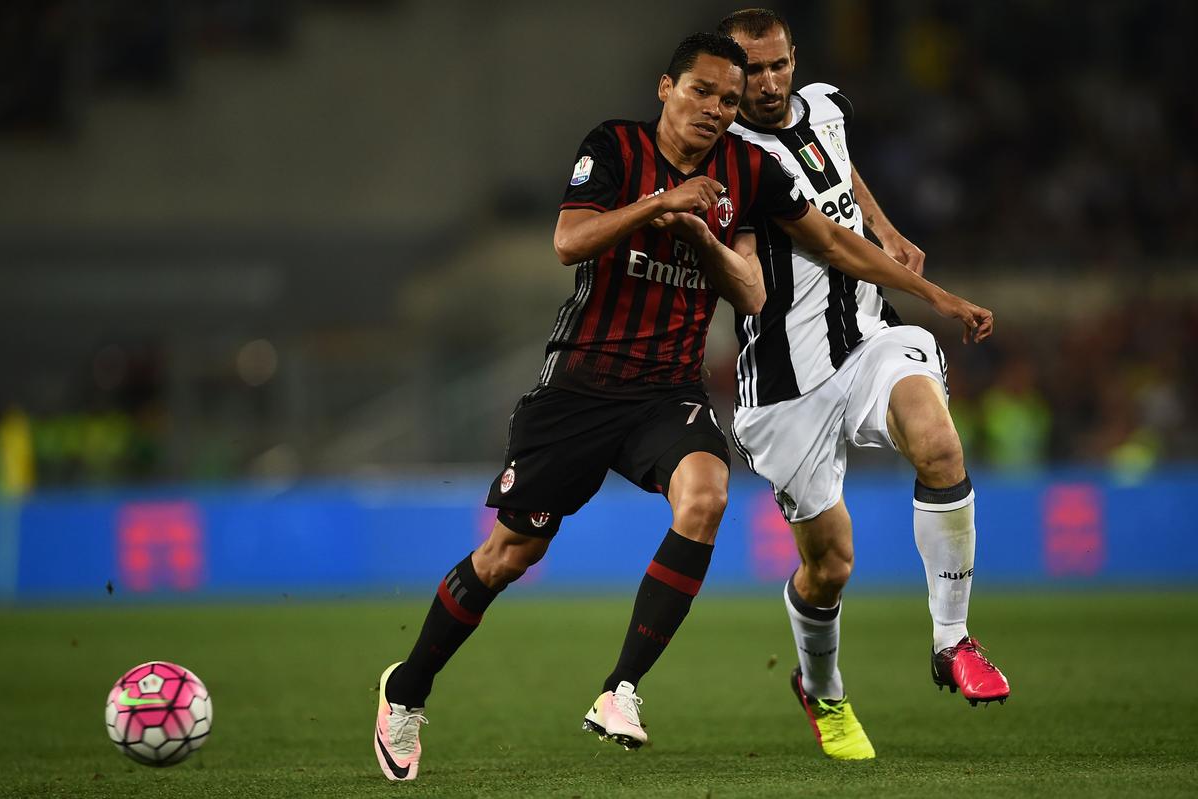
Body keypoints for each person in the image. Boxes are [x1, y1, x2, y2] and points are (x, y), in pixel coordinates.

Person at [373, 31, 991, 783]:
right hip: (580, 385)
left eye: (728, 99)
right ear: (667, 89)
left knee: (706, 494)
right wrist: (659, 204)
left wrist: (702, 234)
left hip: (667, 389)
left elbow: (760, 288)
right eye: (704, 91)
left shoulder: (747, 169)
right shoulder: (615, 147)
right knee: (510, 555)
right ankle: (405, 691)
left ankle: (620, 688)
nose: (716, 108)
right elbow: (570, 241)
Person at [716, 8, 1010, 762]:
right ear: (728, 75)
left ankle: (953, 639)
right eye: (753, 70)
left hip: (870, 342)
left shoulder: (827, 103)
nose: (771, 82)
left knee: (939, 443)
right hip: (787, 387)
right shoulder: (733, 160)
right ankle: (822, 689)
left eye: (780, 63)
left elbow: (840, 170)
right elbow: (831, 243)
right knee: (830, 565)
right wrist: (938, 294)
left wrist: (886, 226)